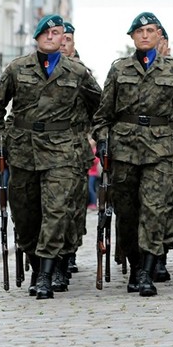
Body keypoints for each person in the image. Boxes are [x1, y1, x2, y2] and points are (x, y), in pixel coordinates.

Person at [0, 13, 101, 300]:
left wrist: (91, 137)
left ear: (65, 38)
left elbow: (100, 109)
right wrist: (2, 143)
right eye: (46, 32)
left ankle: (47, 275)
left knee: (56, 211)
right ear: (37, 37)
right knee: (25, 216)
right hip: (23, 151)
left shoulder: (77, 72)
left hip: (63, 152)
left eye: (57, 32)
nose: (51, 36)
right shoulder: (15, 69)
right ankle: (37, 267)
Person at [92, 12, 173, 297]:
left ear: (160, 36)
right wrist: (103, 141)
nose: (145, 35)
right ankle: (135, 263)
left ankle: (146, 272)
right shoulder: (119, 70)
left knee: (154, 210)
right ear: (132, 37)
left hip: (162, 150)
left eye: (151, 30)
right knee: (128, 214)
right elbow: (102, 115)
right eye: (140, 31)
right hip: (125, 150)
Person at [55, 21, 95, 282]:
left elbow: (99, 110)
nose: (63, 43)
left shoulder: (82, 74)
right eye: (60, 38)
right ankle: (53, 257)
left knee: (73, 207)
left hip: (76, 150)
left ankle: (69, 252)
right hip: (45, 151)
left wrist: (92, 138)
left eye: (67, 38)